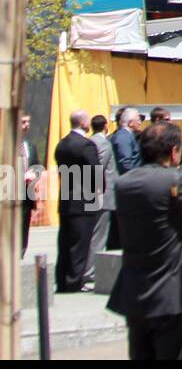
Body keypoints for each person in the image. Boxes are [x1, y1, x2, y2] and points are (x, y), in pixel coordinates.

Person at [107, 121, 182, 359]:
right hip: (177, 291)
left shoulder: (124, 184)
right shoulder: (177, 182)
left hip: (136, 290)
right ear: (175, 151)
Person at [54, 110, 102, 292]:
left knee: (65, 242)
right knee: (80, 244)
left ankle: (62, 279)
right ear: (84, 124)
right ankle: (74, 281)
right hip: (84, 200)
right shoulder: (86, 145)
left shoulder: (61, 144)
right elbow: (96, 172)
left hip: (66, 198)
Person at [86, 114, 117, 281]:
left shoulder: (91, 141)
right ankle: (91, 271)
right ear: (105, 126)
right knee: (99, 236)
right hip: (103, 194)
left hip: (95, 194)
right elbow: (99, 167)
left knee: (94, 234)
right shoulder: (103, 143)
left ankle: (89, 269)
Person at [20, 113, 42, 256]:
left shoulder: (30, 146)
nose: (27, 125)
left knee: (23, 227)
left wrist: (35, 174)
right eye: (23, 122)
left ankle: (21, 253)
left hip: (26, 196)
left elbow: (37, 166)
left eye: (28, 122)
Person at [110, 107, 142, 177]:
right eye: (138, 120)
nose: (140, 123)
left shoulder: (127, 135)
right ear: (130, 123)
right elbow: (125, 164)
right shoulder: (123, 137)